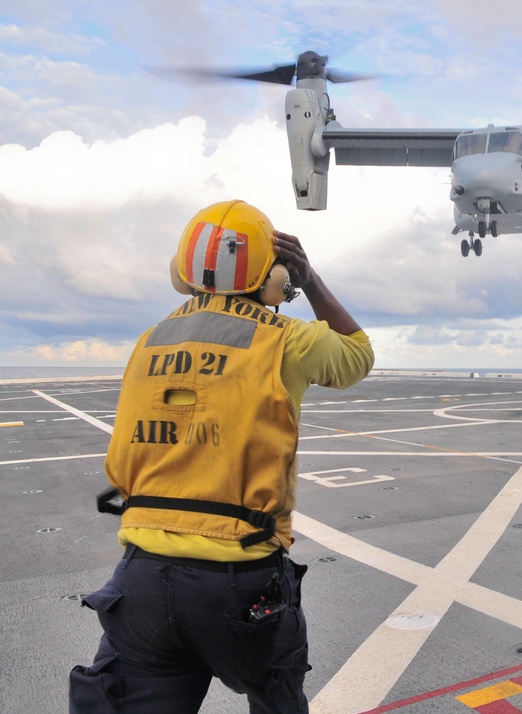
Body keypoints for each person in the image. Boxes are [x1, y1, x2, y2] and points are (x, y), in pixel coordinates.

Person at [69, 199, 374, 713]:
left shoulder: (150, 341)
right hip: (239, 582)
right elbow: (357, 355)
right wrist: (312, 278)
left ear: (182, 273)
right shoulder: (287, 339)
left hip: (140, 578)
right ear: (275, 278)